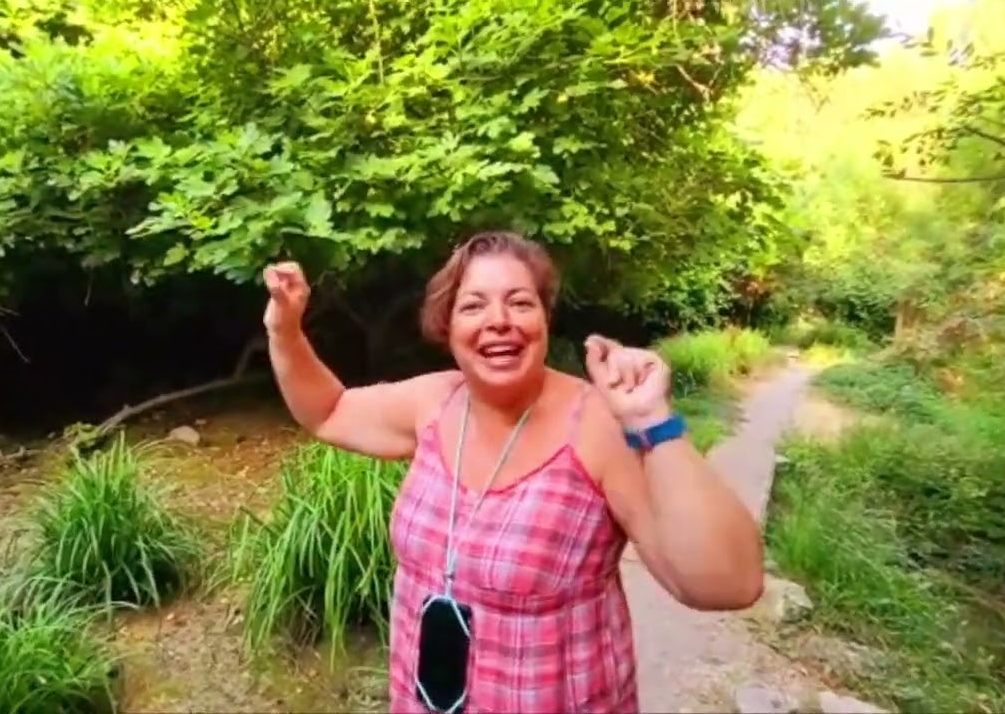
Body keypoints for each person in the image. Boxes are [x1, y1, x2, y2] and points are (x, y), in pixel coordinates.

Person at [262, 231, 764, 714]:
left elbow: (727, 584)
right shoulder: (434, 401)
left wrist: (651, 420)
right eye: (473, 305)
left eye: (520, 302)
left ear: (545, 318)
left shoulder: (595, 426)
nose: (498, 320)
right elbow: (328, 411)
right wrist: (285, 330)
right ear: (447, 326)